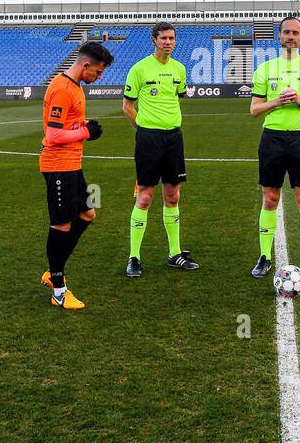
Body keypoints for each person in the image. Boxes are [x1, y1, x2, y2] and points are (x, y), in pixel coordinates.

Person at [249, 16, 300, 283]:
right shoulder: (265, 68)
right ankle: (264, 257)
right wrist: (276, 101)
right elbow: (254, 110)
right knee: (270, 199)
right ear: (279, 36)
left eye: (296, 32)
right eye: (286, 32)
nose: (291, 36)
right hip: (272, 139)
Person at [38, 40, 114, 311]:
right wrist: (85, 133)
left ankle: (54, 270)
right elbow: (53, 135)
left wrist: (84, 125)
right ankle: (58, 288)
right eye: (99, 71)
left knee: (87, 214)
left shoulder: (76, 87)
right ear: (86, 65)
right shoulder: (62, 89)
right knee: (61, 225)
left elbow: (66, 124)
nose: (100, 76)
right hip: (58, 165)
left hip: (72, 164)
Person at [121, 22, 197, 277]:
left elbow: (177, 97)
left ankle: (174, 253)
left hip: (174, 138)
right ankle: (134, 257)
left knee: (173, 196)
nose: (168, 42)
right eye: (163, 38)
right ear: (153, 40)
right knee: (144, 197)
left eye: (172, 38)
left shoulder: (179, 69)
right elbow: (127, 107)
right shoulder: (139, 69)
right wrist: (142, 130)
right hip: (149, 139)